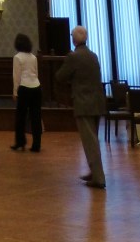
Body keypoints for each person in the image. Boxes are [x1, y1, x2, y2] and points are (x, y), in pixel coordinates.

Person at [55, 25, 107, 189]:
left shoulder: (74, 57)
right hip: (97, 103)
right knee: (94, 139)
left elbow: (60, 76)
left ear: (74, 39)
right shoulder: (93, 56)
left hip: (83, 103)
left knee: (89, 142)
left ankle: (99, 178)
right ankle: (94, 172)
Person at [11, 32, 42, 153]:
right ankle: (36, 144)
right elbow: (36, 73)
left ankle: (20, 142)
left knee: (21, 117)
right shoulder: (33, 57)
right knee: (36, 116)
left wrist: (15, 91)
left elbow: (16, 76)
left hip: (24, 87)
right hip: (36, 87)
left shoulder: (17, 57)